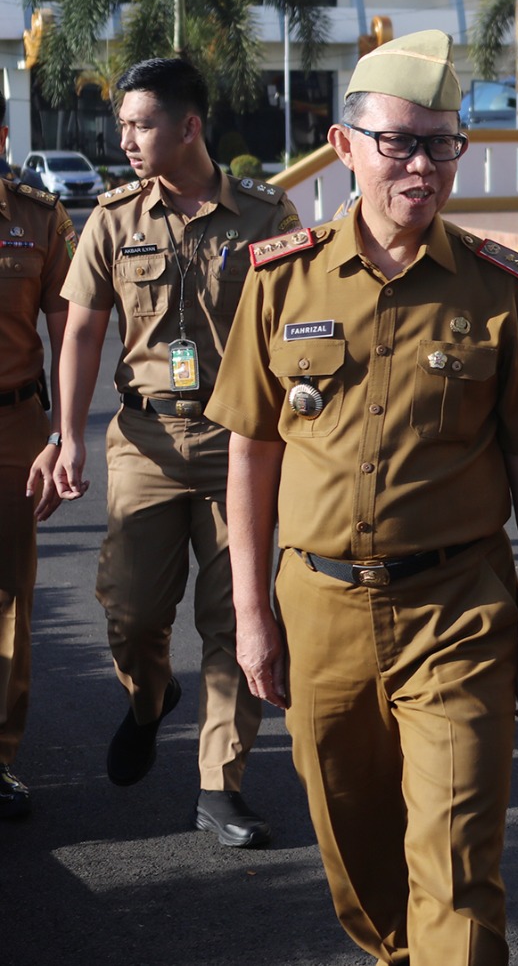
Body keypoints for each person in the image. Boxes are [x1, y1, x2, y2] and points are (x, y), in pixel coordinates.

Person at [208, 29, 518, 965]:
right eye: (400, 142)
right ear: (344, 146)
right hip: (319, 610)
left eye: (442, 143)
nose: (423, 164)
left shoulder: (501, 287)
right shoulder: (280, 278)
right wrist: (251, 615)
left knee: (456, 866)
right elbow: (251, 453)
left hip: (456, 610)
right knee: (358, 856)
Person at [52, 57, 299, 847]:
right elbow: (82, 331)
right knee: (131, 612)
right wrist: (67, 436)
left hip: (241, 444)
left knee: (236, 616)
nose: (125, 139)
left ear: (189, 126)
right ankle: (149, 697)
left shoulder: (265, 214)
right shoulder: (112, 217)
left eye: (141, 124)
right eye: (122, 124)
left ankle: (219, 785)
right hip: (145, 443)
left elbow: (298, 328)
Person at [0, 106, 77, 819]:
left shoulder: (38, 217)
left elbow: (69, 333)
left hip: (13, 423)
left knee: (8, 596)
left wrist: (60, 435)